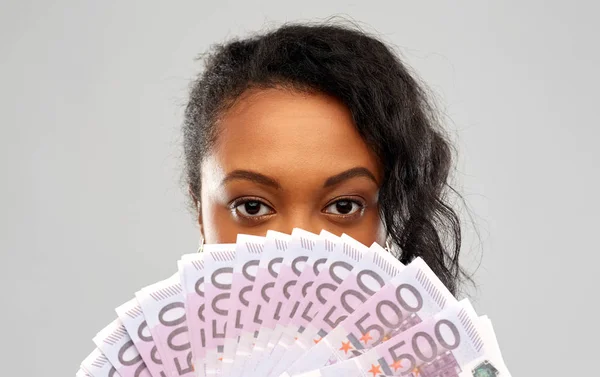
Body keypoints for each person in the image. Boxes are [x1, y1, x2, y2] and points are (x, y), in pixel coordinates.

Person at [181, 21, 468, 296]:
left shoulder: (438, 348)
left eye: (344, 207)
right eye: (252, 207)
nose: (298, 256)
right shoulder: (146, 345)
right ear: (200, 215)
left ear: (392, 219)